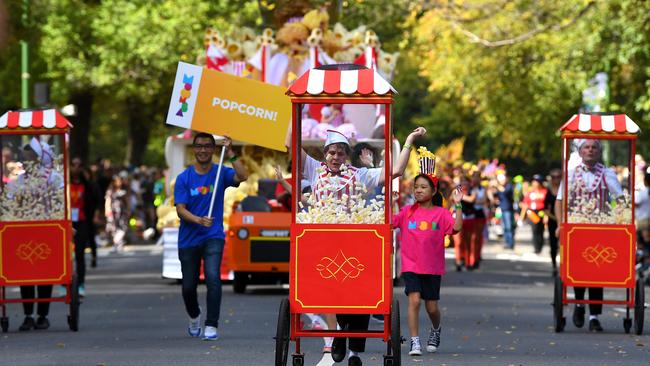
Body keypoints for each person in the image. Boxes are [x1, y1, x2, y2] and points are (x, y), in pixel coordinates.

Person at [288, 127, 426, 366]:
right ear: (325, 154)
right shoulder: (313, 169)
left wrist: (409, 140)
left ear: (347, 156)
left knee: (364, 294)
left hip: (355, 242)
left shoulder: (359, 175)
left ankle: (355, 352)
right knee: (335, 294)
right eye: (332, 152)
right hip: (323, 242)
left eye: (341, 153)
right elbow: (291, 146)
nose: (335, 157)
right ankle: (341, 332)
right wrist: (293, 110)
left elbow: (396, 171)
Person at [174, 132, 248, 341]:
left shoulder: (220, 173)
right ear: (194, 149)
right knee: (188, 286)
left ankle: (211, 324)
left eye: (208, 146)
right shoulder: (184, 178)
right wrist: (198, 220)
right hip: (189, 238)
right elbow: (180, 209)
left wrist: (232, 152)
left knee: (213, 278)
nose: (203, 150)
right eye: (199, 146)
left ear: (214, 150)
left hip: (213, 235)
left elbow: (243, 176)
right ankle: (195, 315)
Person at [555, 139, 623, 332]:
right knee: (578, 269)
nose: (590, 150)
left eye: (594, 147)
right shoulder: (570, 174)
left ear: (599, 152)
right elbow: (559, 201)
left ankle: (594, 316)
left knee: (597, 271)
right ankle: (578, 304)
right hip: (576, 228)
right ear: (580, 151)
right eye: (587, 147)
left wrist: (619, 219)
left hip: (599, 228)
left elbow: (620, 200)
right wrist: (560, 224)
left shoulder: (608, 174)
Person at [392, 171, 463, 356]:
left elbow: (456, 227)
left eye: (423, 187)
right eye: (416, 187)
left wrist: (458, 204)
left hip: (432, 267)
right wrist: (391, 203)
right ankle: (415, 342)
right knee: (414, 301)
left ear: (433, 191)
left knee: (431, 307)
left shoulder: (441, 213)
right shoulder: (407, 212)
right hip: (411, 265)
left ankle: (436, 328)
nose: (418, 191)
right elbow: (391, 222)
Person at [16, 139, 64, 331]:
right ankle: (28, 315)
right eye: (24, 158)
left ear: (39, 159)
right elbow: (12, 204)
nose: (26, 162)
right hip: (23, 233)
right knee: (23, 275)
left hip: (48, 231)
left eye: (30, 158)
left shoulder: (53, 178)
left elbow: (61, 203)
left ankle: (42, 315)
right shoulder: (19, 181)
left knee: (46, 273)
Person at [68, 157, 102, 296]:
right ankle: (65, 283)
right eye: (73, 164)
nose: (76, 167)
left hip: (82, 221)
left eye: (79, 165)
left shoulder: (88, 185)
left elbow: (98, 200)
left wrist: (95, 215)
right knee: (65, 253)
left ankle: (80, 283)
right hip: (68, 222)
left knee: (80, 253)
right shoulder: (64, 184)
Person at [520, 174, 548, 254]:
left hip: (542, 212)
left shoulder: (545, 192)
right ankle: (536, 248)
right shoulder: (530, 193)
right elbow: (525, 204)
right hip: (532, 213)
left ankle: (540, 246)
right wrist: (522, 217)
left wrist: (546, 215)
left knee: (541, 230)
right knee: (534, 230)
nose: (535, 183)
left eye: (537, 182)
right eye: (534, 182)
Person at [490, 173, 516, 249]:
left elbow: (506, 192)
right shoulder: (499, 188)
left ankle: (510, 243)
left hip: (508, 209)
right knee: (504, 227)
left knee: (509, 227)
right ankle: (507, 242)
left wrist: (497, 185)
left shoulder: (509, 186)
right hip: (501, 209)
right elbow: (495, 196)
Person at [544, 169, 562, 275]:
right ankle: (554, 264)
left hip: (565, 221)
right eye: (553, 177)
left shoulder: (565, 189)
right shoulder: (549, 191)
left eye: (558, 177)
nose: (556, 179)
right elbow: (546, 208)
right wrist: (555, 218)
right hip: (553, 220)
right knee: (553, 243)